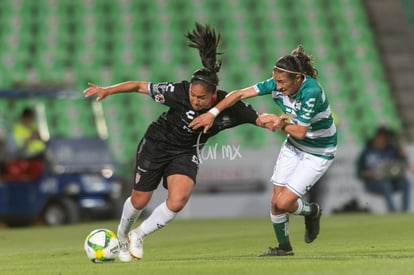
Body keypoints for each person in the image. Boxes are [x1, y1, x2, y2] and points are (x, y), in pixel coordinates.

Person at [83, 23, 264, 262]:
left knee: (178, 200)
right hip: (156, 144)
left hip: (185, 151)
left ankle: (139, 234)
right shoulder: (177, 92)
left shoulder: (232, 107)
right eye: (192, 96)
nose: (195, 101)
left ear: (214, 95)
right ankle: (122, 233)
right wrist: (108, 90)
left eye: (201, 98)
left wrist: (273, 122)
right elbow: (139, 86)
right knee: (140, 200)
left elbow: (261, 119)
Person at [189, 45, 338, 256]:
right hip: (294, 147)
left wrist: (278, 124)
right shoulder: (277, 84)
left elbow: (301, 131)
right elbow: (239, 94)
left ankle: (312, 211)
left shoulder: (311, 91)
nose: (277, 86)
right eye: (275, 81)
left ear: (297, 79)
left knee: (284, 202)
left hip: (319, 151)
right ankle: (284, 248)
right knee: (276, 203)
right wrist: (213, 113)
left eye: (282, 82)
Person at [356, 126, 410, 212]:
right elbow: (359, 173)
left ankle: (405, 211)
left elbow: (403, 165)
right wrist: (368, 174)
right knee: (385, 184)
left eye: (386, 138)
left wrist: (402, 155)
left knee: (406, 182)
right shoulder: (367, 152)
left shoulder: (392, 150)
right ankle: (393, 212)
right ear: (376, 138)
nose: (384, 140)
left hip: (392, 180)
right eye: (382, 137)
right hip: (373, 183)